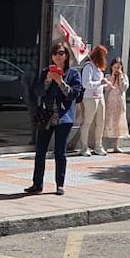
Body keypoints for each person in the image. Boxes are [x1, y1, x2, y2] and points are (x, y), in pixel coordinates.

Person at [25, 42, 83, 196]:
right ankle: (37, 184)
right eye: (56, 53)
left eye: (62, 53)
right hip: (47, 116)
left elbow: (74, 94)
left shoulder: (73, 74)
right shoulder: (46, 72)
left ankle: (60, 184)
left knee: (60, 152)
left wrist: (61, 82)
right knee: (40, 151)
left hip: (64, 118)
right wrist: (47, 81)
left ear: (66, 56)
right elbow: (37, 92)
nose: (58, 56)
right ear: (51, 56)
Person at [77, 45, 108, 156]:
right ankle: (84, 147)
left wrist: (104, 84)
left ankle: (98, 146)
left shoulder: (98, 68)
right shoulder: (88, 66)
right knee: (87, 122)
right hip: (90, 98)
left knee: (101, 122)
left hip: (100, 97)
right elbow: (86, 83)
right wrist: (100, 83)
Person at [103, 57, 130, 153]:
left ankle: (116, 145)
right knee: (107, 122)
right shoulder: (107, 76)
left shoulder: (124, 77)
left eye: (118, 67)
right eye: (115, 67)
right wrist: (113, 77)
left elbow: (124, 88)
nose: (117, 69)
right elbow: (106, 89)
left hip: (119, 103)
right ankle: (104, 145)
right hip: (110, 102)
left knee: (118, 123)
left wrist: (121, 77)